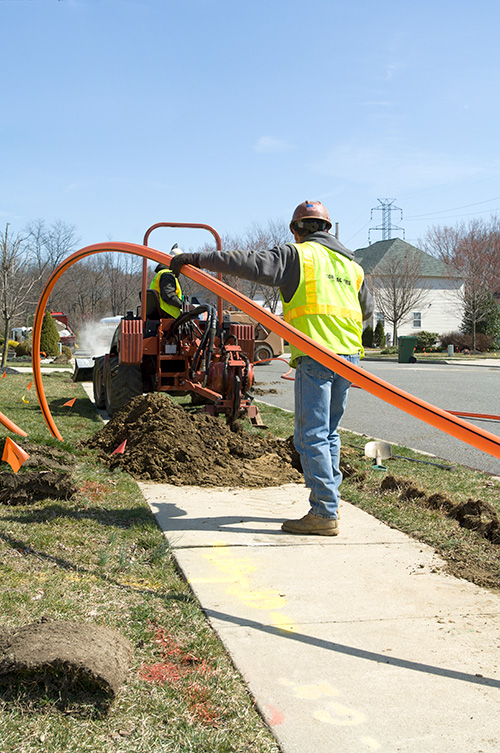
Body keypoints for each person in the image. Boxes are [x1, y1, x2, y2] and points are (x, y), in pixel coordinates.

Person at [170, 201, 374, 536]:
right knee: (330, 433)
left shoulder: (299, 256)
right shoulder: (352, 266)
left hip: (317, 354)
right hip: (349, 357)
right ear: (329, 228)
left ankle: (324, 512)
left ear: (296, 230)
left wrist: (196, 259)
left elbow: (247, 263)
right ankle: (329, 504)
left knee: (311, 436)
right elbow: (365, 311)